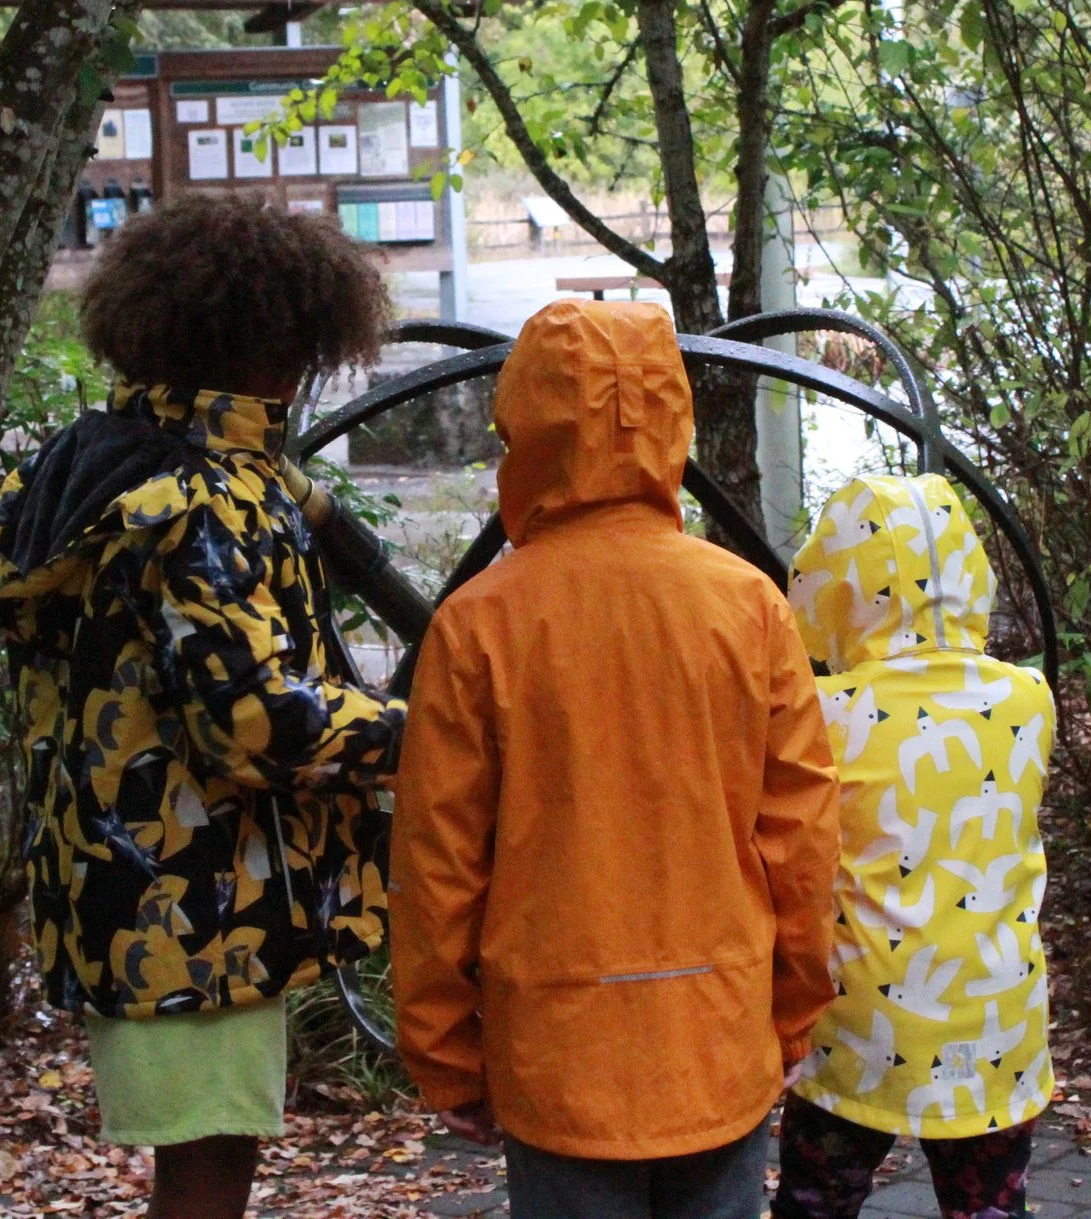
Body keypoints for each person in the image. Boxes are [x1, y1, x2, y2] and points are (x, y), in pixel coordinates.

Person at [0, 195, 404, 1219]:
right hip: (203, 900)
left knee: (202, 1158)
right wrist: (419, 731)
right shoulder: (201, 501)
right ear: (277, 349)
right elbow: (255, 721)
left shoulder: (87, 462)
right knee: (207, 1168)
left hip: (122, 883)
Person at [390, 298, 842, 1219]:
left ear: (527, 427)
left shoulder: (480, 623)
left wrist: (444, 1050)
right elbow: (800, 831)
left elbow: (436, 862)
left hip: (559, 1050)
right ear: (672, 419)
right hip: (714, 1031)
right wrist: (794, 1008)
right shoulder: (747, 607)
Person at [772, 473, 1056, 1219]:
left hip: (861, 1024)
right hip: (994, 1020)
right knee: (990, 1206)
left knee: (817, 1199)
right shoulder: (1028, 698)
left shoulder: (829, 713)